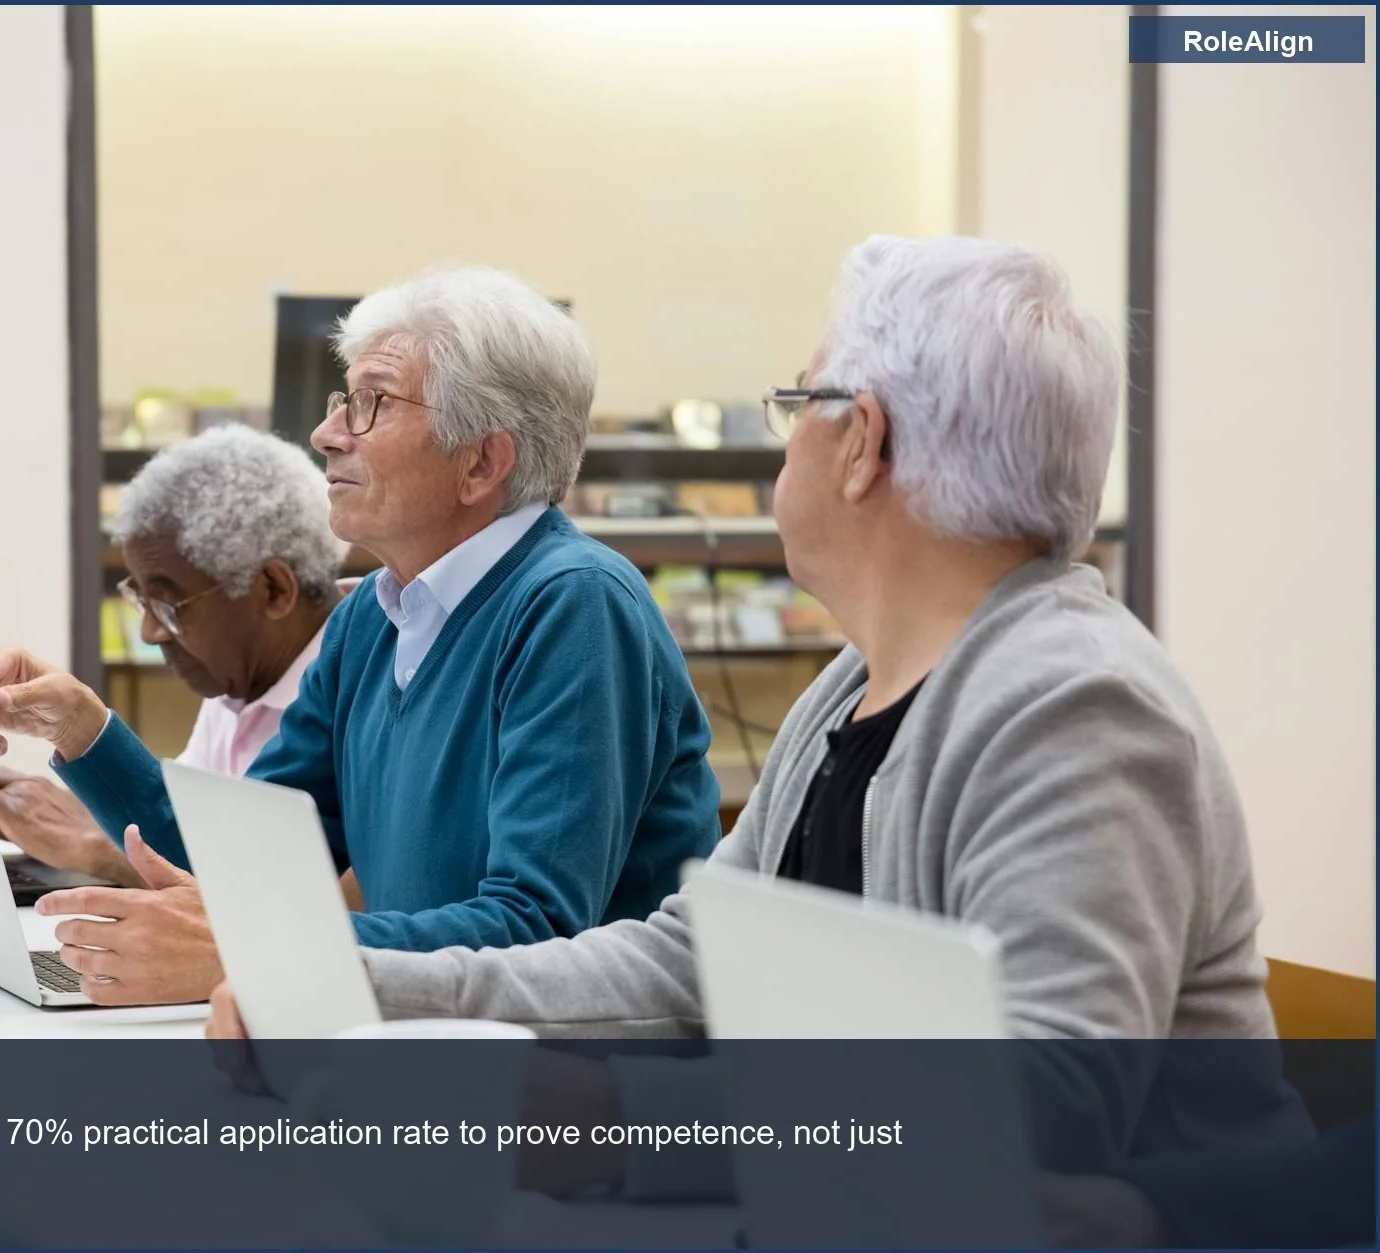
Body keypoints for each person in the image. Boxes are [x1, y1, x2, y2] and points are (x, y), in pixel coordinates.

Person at [208, 236, 1297, 1163]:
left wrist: (623, 1119)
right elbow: (686, 955)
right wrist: (367, 987)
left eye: (799, 406)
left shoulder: (1074, 703)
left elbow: (1042, 1104)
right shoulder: (850, 689)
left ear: (861, 443)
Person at [0, 263, 720, 1006]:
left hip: (586, 1095)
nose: (325, 434)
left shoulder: (574, 606)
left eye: (372, 402)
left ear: (482, 461)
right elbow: (246, 859)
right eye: (341, 399)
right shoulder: (373, 617)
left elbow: (537, 932)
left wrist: (262, 949)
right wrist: (84, 728)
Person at [0, 425, 363, 906]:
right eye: (141, 600)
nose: (150, 634)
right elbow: (191, 839)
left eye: (171, 606)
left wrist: (94, 843)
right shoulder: (240, 681)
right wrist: (88, 802)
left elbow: (270, 896)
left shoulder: (366, 677)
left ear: (274, 590)